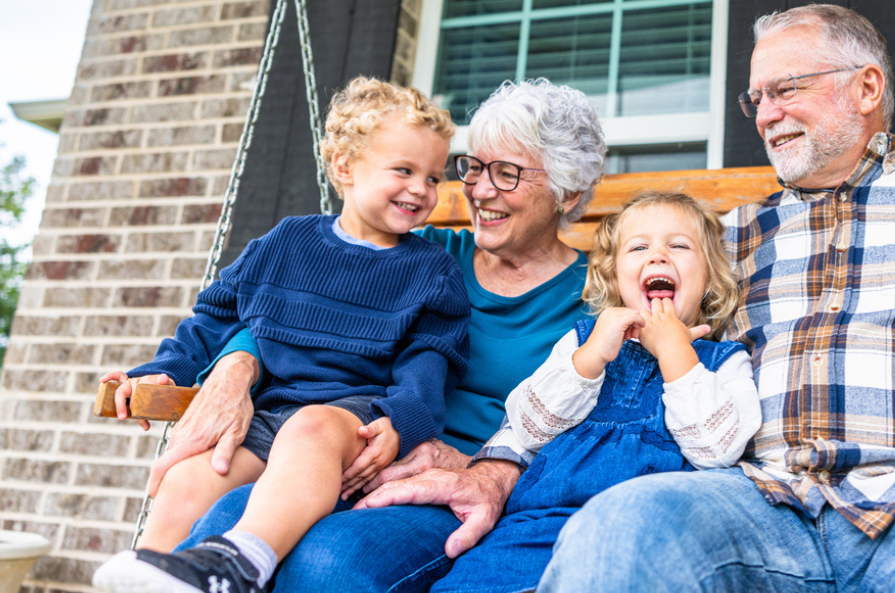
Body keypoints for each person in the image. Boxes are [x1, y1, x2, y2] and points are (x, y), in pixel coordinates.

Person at [356, 4, 895, 593]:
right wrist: (499, 460)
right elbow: (596, 352)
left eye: (786, 89)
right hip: (755, 499)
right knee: (619, 530)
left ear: (865, 89)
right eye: (755, 97)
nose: (766, 112)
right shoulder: (722, 238)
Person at [167, 78, 608, 592]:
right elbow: (294, 312)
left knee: (329, 563)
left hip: (461, 485)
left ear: (568, 192)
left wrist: (483, 466)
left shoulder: (598, 297)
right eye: (475, 167)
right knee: (221, 525)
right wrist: (235, 365)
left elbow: (601, 437)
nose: (481, 190)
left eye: (507, 174)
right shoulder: (414, 255)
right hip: (346, 454)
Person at [92, 77, 469, 593]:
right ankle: (155, 575)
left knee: (310, 427)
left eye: (433, 176)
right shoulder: (285, 241)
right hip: (266, 419)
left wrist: (400, 421)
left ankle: (239, 565)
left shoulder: (432, 271)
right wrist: (162, 372)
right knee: (188, 479)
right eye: (404, 170)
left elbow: (430, 363)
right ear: (344, 166)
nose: (422, 190)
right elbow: (213, 320)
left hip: (347, 428)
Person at [419, 191, 761, 593]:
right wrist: (591, 357)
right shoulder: (584, 343)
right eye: (639, 247)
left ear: (709, 281)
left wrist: (675, 352)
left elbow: (717, 450)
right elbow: (528, 427)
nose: (657, 256)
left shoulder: (723, 362)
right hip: (535, 527)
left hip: (638, 539)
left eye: (679, 245)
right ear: (614, 278)